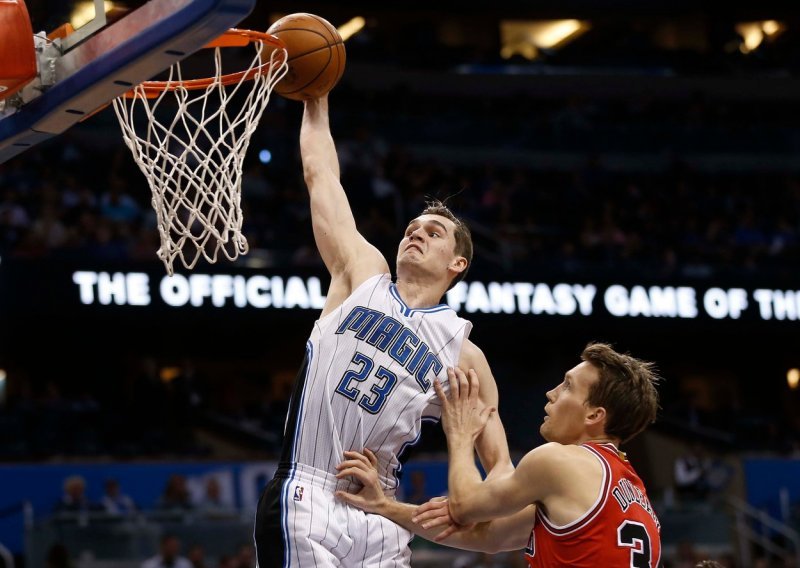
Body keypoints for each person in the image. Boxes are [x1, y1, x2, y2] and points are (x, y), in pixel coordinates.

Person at [253, 93, 513, 567]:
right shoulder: (361, 273)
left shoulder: (464, 354)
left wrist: (466, 509)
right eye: (413, 227)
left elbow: (500, 467)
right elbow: (321, 176)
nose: (416, 233)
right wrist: (317, 99)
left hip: (382, 513)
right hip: (308, 492)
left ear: (458, 264)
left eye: (434, 233)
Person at [336, 343, 662, 567]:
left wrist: (461, 435)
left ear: (594, 415)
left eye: (567, 387)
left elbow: (464, 508)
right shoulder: (632, 490)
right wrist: (384, 506)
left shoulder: (561, 461)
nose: (551, 393)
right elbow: (487, 536)